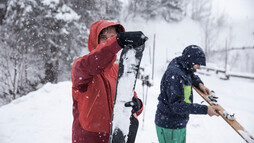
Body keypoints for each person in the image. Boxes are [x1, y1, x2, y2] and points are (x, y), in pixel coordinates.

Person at [71, 20, 147, 143]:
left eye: (112, 37)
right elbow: (94, 61)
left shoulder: (118, 70)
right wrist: (116, 41)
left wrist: (137, 104)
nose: (108, 41)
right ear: (95, 40)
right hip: (88, 138)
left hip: (117, 137)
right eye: (104, 38)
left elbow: (132, 99)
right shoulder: (82, 66)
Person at [154, 45, 220, 143]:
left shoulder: (180, 64)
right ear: (190, 60)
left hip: (176, 123)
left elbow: (190, 75)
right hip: (170, 125)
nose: (199, 67)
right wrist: (206, 110)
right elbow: (178, 106)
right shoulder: (175, 75)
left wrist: (200, 84)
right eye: (197, 64)